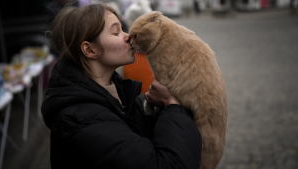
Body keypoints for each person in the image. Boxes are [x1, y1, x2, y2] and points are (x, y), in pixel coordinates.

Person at [41, 3, 202, 169]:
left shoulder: (123, 97)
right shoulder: (79, 121)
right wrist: (173, 105)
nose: (128, 36)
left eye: (123, 29)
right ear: (90, 50)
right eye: (116, 32)